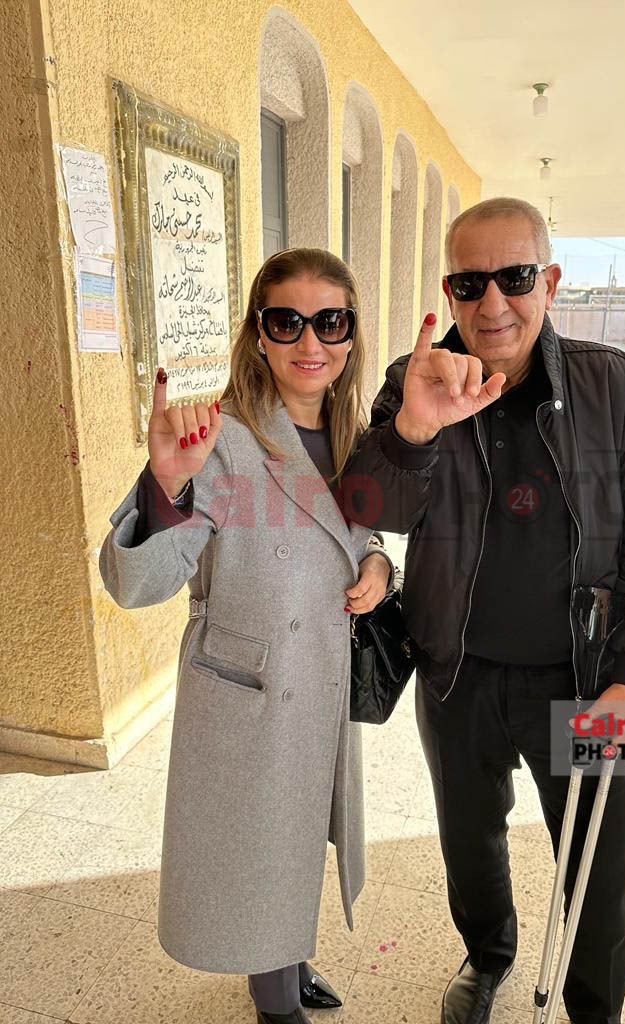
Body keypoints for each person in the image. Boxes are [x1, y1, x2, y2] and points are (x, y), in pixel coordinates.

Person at [342, 198, 625, 1024]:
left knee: (602, 863)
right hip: (454, 674)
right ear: (449, 290)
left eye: (515, 276)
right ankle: (488, 955)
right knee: (469, 841)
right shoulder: (413, 378)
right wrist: (413, 430)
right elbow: (368, 504)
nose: (493, 302)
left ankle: (595, 1008)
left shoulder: (614, 383)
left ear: (551, 281)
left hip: (594, 679)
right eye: (471, 283)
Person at [100, 249, 394, 1024]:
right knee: (260, 842)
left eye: (330, 322)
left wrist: (377, 563)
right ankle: (275, 1000)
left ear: (352, 334)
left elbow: (358, 532)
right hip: (252, 684)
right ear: (259, 334)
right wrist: (165, 483)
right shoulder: (221, 437)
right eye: (286, 321)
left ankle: (287, 956)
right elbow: (138, 583)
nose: (310, 342)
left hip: (318, 674)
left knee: (296, 832)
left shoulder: (354, 433)